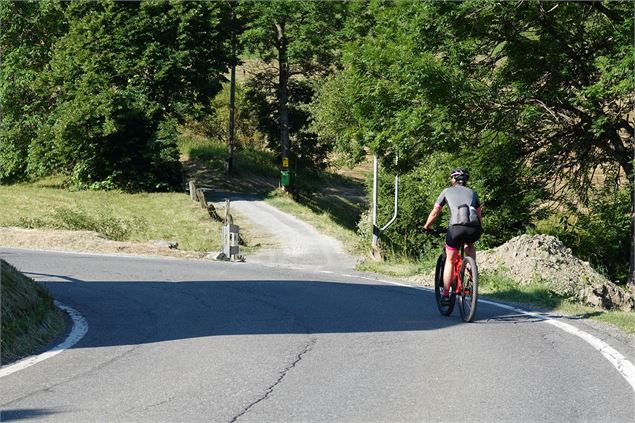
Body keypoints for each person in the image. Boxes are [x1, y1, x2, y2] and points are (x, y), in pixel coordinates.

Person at [423, 168, 482, 304]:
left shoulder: (447, 191)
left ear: (453, 180)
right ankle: (472, 274)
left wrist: (426, 226)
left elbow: (435, 212)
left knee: (450, 260)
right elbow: (479, 215)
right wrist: (480, 229)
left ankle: (445, 294)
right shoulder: (473, 193)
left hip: (455, 228)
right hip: (474, 228)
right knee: (469, 245)